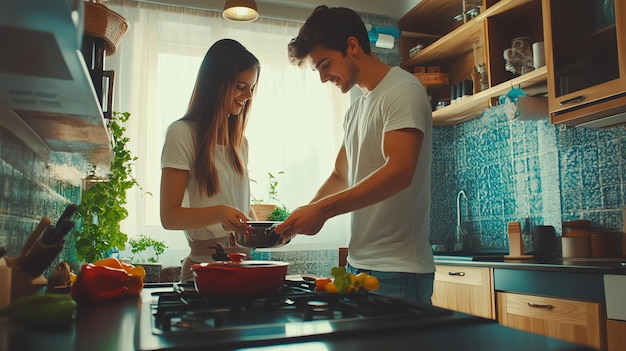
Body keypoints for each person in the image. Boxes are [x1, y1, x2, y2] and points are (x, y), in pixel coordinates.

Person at [274, 6, 435, 304]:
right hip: (359, 265)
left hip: (399, 270)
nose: (323, 78)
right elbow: (341, 175)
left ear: (352, 45)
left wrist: (322, 211)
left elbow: (400, 171)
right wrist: (300, 218)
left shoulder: (403, 91)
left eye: (325, 64)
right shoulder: (357, 108)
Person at [160, 39, 260, 282]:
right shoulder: (181, 133)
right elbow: (169, 217)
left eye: (251, 88)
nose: (247, 95)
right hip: (204, 271)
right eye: (240, 86)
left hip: (244, 269)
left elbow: (236, 204)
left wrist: (259, 225)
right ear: (216, 85)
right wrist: (219, 213)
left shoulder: (241, 144)